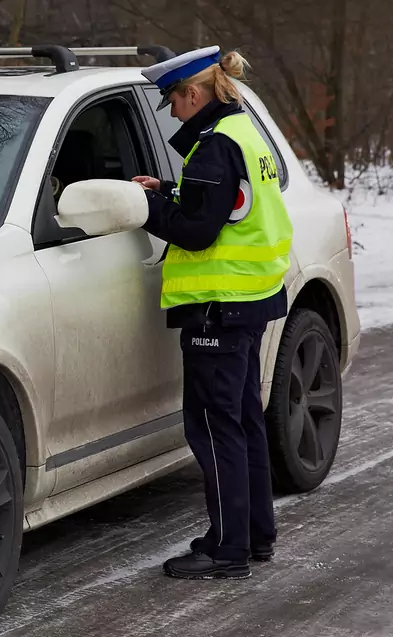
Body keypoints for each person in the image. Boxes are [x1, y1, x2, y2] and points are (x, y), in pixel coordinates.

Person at [131, 46, 294, 580]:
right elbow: (231, 204)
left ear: (193, 93)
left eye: (172, 103)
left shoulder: (213, 146)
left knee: (214, 427)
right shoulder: (245, 134)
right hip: (249, 301)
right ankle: (254, 536)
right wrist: (172, 189)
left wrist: (147, 207)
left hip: (216, 310)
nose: (173, 114)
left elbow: (199, 231)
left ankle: (227, 549)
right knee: (243, 421)